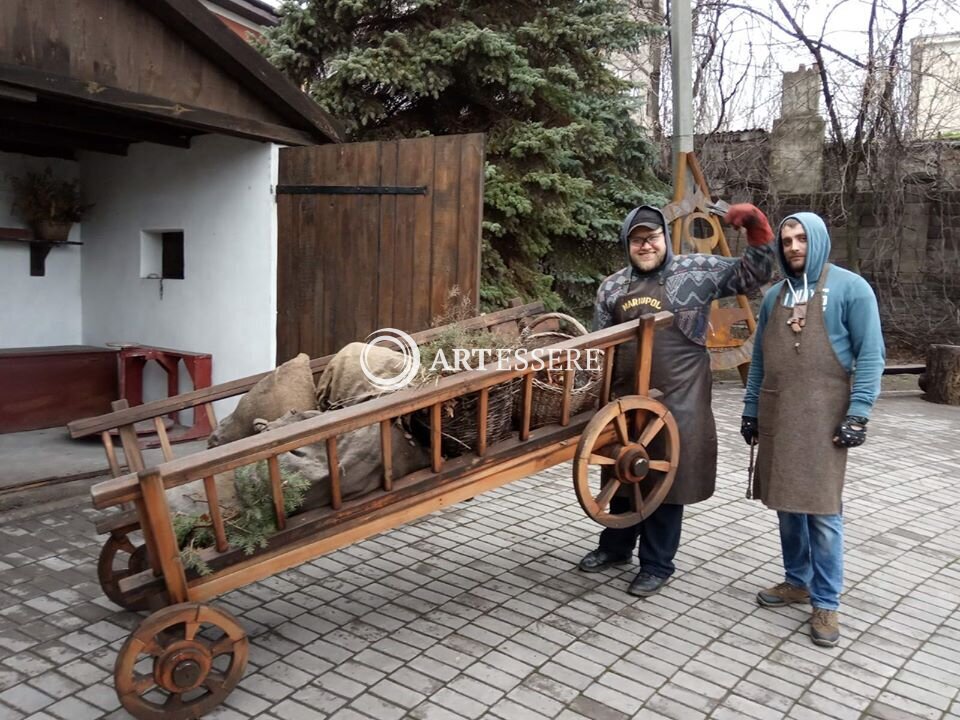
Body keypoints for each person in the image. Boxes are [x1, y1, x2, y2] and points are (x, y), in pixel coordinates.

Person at [580, 203, 776, 596]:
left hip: (680, 397)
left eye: (652, 237)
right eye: (637, 240)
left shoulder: (696, 272)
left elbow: (754, 273)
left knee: (667, 480)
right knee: (621, 473)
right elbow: (598, 348)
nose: (646, 245)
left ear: (664, 238)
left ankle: (657, 563)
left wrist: (757, 229)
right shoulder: (612, 287)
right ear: (626, 245)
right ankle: (616, 547)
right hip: (626, 400)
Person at [740, 212, 884, 647]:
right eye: (786, 241)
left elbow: (872, 355)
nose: (794, 247)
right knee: (786, 503)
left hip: (825, 418)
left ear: (818, 239)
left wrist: (858, 413)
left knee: (822, 512)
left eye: (801, 238)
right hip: (780, 413)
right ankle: (796, 580)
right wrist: (750, 409)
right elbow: (760, 360)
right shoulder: (774, 298)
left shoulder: (851, 289)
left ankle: (826, 602)